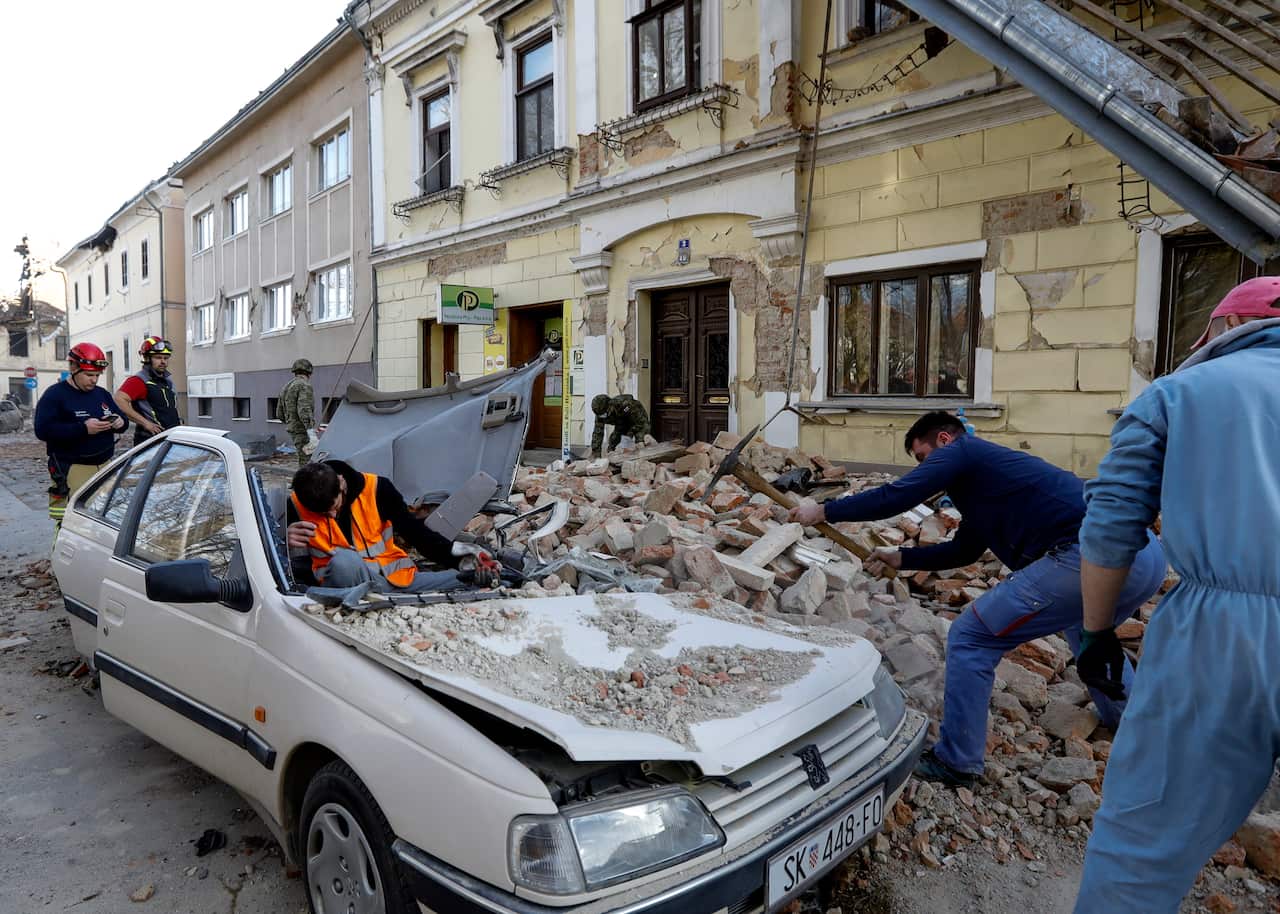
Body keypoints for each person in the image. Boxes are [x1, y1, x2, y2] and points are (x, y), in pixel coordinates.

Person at [788, 411, 1166, 786]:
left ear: (944, 440)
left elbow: (898, 494)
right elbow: (964, 552)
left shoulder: (963, 451)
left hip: (1089, 553)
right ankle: (1132, 726)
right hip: (1142, 555)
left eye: (922, 458)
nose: (923, 469)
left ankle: (957, 762)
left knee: (971, 636)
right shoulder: (983, 484)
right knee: (1088, 633)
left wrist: (822, 509)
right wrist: (902, 558)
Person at [1072, 277, 1280, 912]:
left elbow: (1110, 529)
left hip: (1223, 634)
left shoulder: (1182, 392)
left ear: (1222, 329)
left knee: (1143, 842)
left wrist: (1098, 631)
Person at [285, 459, 466, 593]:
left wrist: (458, 559)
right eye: (322, 515)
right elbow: (290, 568)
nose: (331, 516)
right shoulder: (296, 504)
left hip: (390, 579)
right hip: (339, 583)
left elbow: (415, 533)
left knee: (462, 579)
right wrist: (285, 542)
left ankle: (474, 574)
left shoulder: (378, 489)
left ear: (341, 483)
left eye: (333, 507)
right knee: (345, 562)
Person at [34, 342, 128, 536]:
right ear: (73, 368)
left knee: (102, 520)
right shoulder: (55, 395)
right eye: (89, 375)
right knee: (72, 523)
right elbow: (42, 430)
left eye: (97, 375)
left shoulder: (102, 394)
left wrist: (120, 423)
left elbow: (123, 420)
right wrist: (83, 429)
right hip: (72, 468)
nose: (94, 380)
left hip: (104, 465)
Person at [114, 336, 182, 445]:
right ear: (146, 358)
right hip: (149, 441)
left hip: (169, 440)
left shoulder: (168, 381)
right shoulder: (139, 380)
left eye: (165, 358)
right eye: (158, 357)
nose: (163, 361)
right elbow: (119, 400)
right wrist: (145, 423)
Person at [278, 359, 316, 466]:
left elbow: (279, 413)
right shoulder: (304, 385)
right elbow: (304, 410)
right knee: (307, 463)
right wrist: (311, 433)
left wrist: (291, 423)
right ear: (309, 372)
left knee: (303, 460)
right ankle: (304, 482)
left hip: (294, 431)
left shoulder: (286, 387)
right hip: (303, 431)